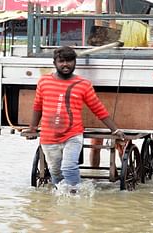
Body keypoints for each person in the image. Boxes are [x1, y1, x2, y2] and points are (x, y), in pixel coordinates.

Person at [23, 46, 125, 192]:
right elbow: (38, 106)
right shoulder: (44, 82)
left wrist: (115, 129)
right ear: (55, 63)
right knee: (55, 172)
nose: (65, 64)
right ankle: (63, 199)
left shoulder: (83, 84)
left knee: (69, 167)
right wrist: (33, 128)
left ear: (75, 63)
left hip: (73, 135)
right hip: (49, 136)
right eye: (61, 61)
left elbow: (98, 108)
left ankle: (76, 197)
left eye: (69, 61)